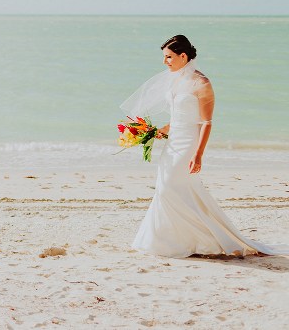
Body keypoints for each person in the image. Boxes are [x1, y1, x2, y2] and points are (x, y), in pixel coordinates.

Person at [121, 34, 286, 258]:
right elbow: (179, 117)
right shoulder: (176, 80)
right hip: (173, 143)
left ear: (183, 56)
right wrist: (158, 132)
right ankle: (170, 241)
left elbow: (206, 122)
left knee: (170, 186)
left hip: (189, 143)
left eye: (169, 57)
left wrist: (198, 154)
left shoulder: (202, 83)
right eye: (164, 57)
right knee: (166, 187)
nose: (165, 62)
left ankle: (205, 238)